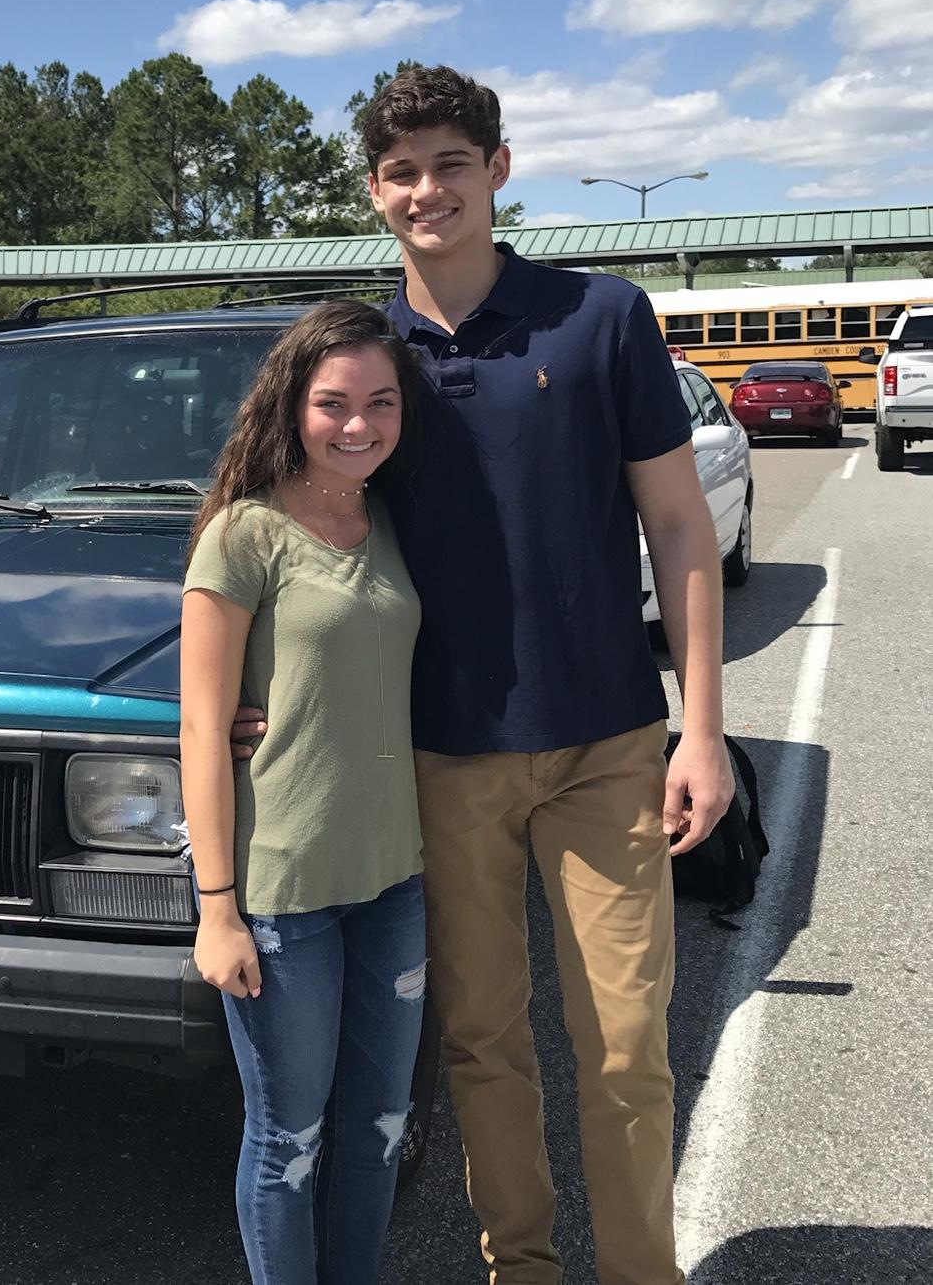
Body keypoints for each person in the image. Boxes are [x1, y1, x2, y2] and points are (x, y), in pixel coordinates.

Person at [234, 65, 734, 1285]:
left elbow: (679, 527)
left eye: (451, 164)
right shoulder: (365, 360)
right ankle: (524, 1266)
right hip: (438, 755)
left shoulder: (600, 318)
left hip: (606, 741)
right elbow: (283, 533)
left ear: (498, 169)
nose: (428, 191)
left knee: (625, 1047)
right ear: (373, 191)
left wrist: (704, 729)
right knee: (481, 1045)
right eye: (401, 172)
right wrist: (262, 693)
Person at [180, 302, 429, 1285]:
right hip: (283, 895)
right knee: (290, 1138)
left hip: (394, 880)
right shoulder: (244, 534)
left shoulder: (391, 520)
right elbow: (203, 729)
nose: (358, 424)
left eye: (381, 402)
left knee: (381, 1125)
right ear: (292, 405)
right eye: (334, 403)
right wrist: (216, 908)